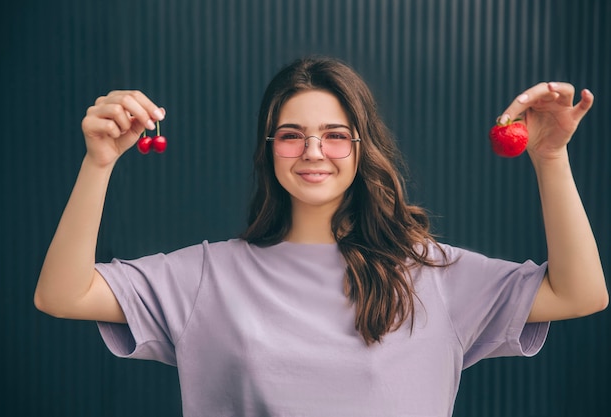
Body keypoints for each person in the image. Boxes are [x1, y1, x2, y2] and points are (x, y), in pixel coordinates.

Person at [35, 56, 607, 417]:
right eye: (291, 135)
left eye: (336, 135)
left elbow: (582, 294)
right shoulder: (205, 275)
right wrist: (99, 162)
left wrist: (550, 157)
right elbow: (62, 295)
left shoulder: (432, 273)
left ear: (363, 148)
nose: (313, 152)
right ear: (268, 151)